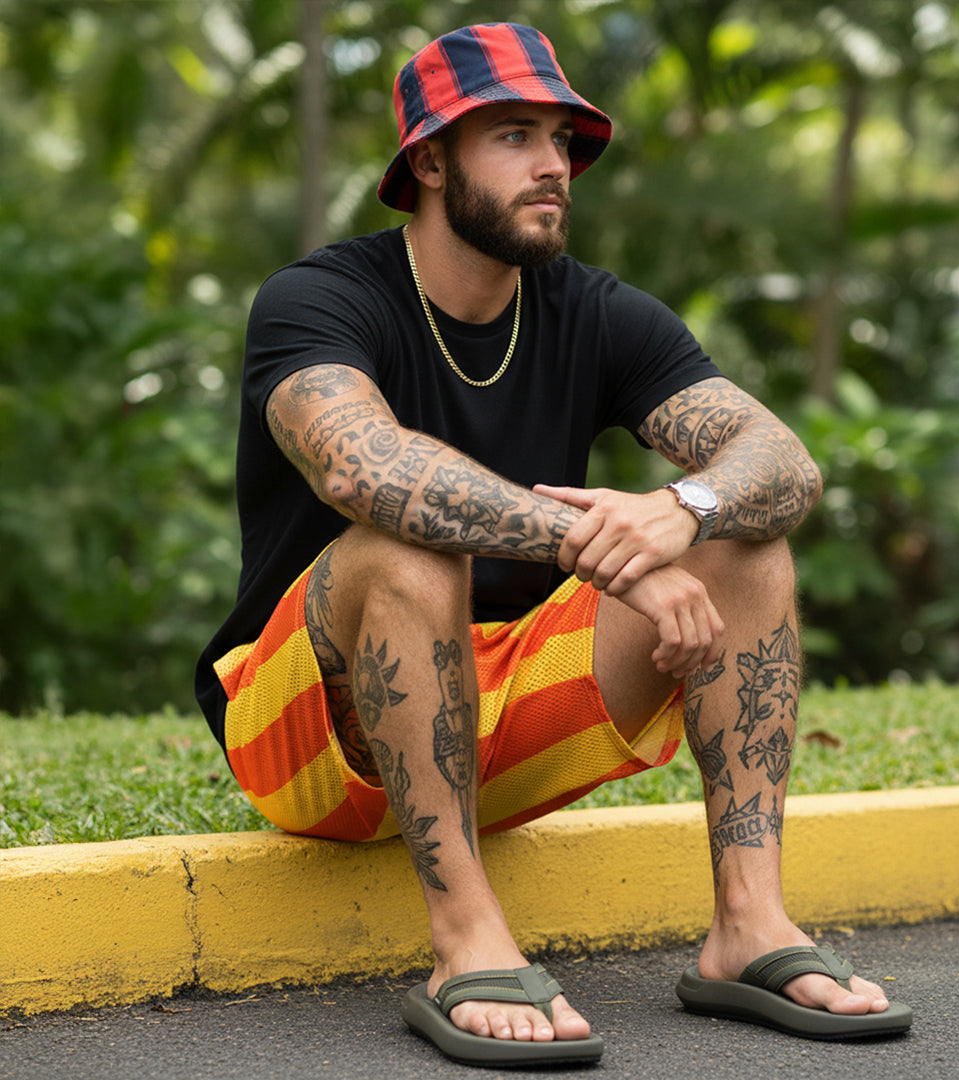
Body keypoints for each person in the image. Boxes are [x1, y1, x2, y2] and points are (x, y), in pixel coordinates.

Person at [195, 22, 911, 1066]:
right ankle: (464, 939)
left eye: (565, 140)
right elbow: (362, 468)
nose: (553, 164)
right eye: (515, 135)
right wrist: (592, 536)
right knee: (408, 542)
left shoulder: (595, 312)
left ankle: (748, 925)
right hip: (310, 728)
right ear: (429, 161)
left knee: (747, 540)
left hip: (498, 710)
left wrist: (686, 512)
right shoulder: (321, 298)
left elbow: (783, 461)